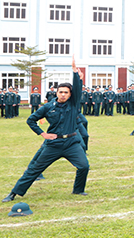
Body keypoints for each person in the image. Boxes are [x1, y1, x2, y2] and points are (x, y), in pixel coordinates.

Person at [3, 57, 90, 203]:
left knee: (84, 166)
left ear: (70, 95)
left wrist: (75, 73)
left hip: (72, 143)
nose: (63, 94)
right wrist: (43, 133)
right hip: (53, 144)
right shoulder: (48, 107)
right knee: (34, 170)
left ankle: (78, 190)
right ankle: (14, 193)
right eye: (61, 92)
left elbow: (77, 88)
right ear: (56, 92)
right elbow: (31, 120)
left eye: (66, 92)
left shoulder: (74, 104)